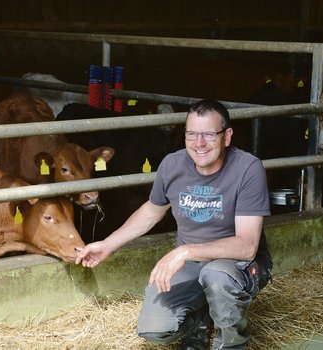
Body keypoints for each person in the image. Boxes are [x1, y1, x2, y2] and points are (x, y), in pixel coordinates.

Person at [75, 99, 272, 350]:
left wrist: (186, 251)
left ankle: (232, 343)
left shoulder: (248, 168)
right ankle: (200, 322)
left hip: (236, 265)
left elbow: (246, 246)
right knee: (154, 330)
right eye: (191, 134)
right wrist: (107, 244)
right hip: (192, 265)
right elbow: (151, 211)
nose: (199, 143)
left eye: (209, 134)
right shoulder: (172, 164)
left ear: (227, 136)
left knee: (217, 276)